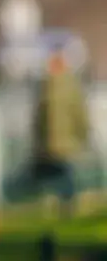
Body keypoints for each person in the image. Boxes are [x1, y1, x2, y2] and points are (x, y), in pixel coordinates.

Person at [32, 49, 90, 206]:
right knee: (61, 171)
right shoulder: (55, 86)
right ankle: (65, 201)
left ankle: (65, 201)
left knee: (62, 171)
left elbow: (77, 113)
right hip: (56, 141)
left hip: (58, 140)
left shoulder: (49, 87)